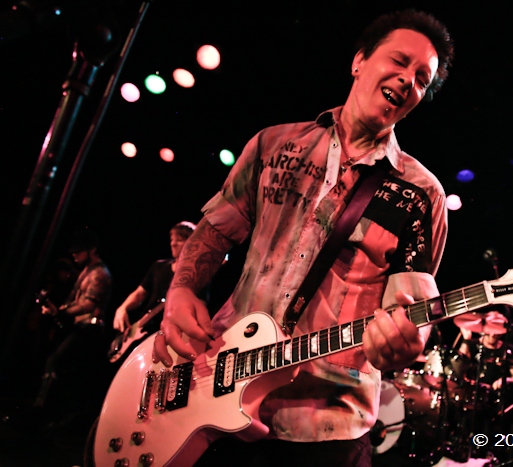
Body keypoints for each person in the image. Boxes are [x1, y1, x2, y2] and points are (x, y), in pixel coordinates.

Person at [153, 9, 454, 467]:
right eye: (399, 61)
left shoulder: (420, 194)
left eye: (421, 79)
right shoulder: (272, 145)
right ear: (359, 61)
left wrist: (407, 339)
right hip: (219, 391)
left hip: (328, 425)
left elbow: (412, 305)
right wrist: (181, 288)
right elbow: (215, 230)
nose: (408, 80)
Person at [34, 228, 112, 429]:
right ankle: (54, 416)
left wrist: (62, 312)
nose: (74, 254)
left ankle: (43, 413)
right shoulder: (88, 271)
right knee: (66, 371)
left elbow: (88, 304)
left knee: (57, 363)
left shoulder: (99, 273)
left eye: (79, 250)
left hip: (89, 330)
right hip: (81, 328)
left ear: (92, 250)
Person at [112, 221, 197, 335]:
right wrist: (122, 308)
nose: (173, 243)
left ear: (191, 243)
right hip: (143, 329)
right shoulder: (159, 266)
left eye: (179, 240)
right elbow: (139, 294)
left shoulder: (196, 274)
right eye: (172, 240)